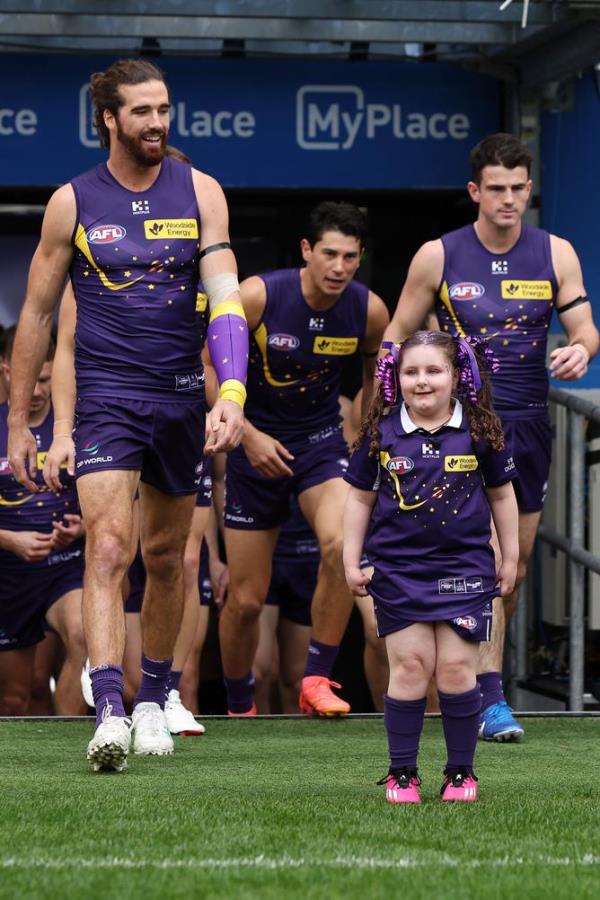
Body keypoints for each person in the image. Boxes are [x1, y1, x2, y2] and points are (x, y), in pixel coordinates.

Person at [7, 58, 247, 773]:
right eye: (141, 111)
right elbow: (39, 316)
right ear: (108, 119)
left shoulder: (201, 192)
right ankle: (110, 706)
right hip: (109, 398)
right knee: (109, 549)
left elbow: (227, 300)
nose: (157, 123)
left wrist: (231, 392)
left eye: (163, 109)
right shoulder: (72, 203)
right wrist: (25, 423)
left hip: (179, 398)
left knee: (168, 558)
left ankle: (155, 701)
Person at [383, 133, 599, 741]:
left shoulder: (556, 253)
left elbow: (585, 328)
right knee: (485, 558)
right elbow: (397, 336)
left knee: (515, 563)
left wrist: (581, 349)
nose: (508, 199)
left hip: (529, 424)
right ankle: (488, 697)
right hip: (463, 427)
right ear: (475, 191)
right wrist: (396, 410)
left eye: (518, 188)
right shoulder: (438, 254)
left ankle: (471, 682)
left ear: (530, 189)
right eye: (496, 189)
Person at [218, 201, 389, 716]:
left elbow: (375, 381)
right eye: (330, 254)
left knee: (342, 545)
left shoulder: (369, 310)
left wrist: (362, 437)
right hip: (256, 443)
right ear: (307, 251)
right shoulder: (258, 296)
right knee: (247, 601)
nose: (340, 268)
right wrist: (246, 434)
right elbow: (207, 367)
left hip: (319, 444)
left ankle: (316, 677)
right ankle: (237, 702)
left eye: (351, 257)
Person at [343, 331, 518, 803]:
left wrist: (512, 556)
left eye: (434, 370)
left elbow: (503, 494)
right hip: (398, 570)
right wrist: (350, 558)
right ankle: (403, 773)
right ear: (395, 378)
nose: (422, 381)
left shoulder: (481, 431)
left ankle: (461, 774)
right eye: (411, 371)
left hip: (466, 567)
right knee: (411, 667)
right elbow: (359, 498)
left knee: (458, 672)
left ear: (457, 376)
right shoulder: (381, 431)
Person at [0, 333, 87, 716]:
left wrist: (84, 526)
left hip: (63, 567)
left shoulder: (73, 427)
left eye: (46, 380)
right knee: (18, 695)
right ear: (7, 371)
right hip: (9, 574)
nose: (36, 390)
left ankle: (72, 755)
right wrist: (9, 540)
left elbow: (110, 491)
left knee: (84, 637)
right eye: (28, 378)